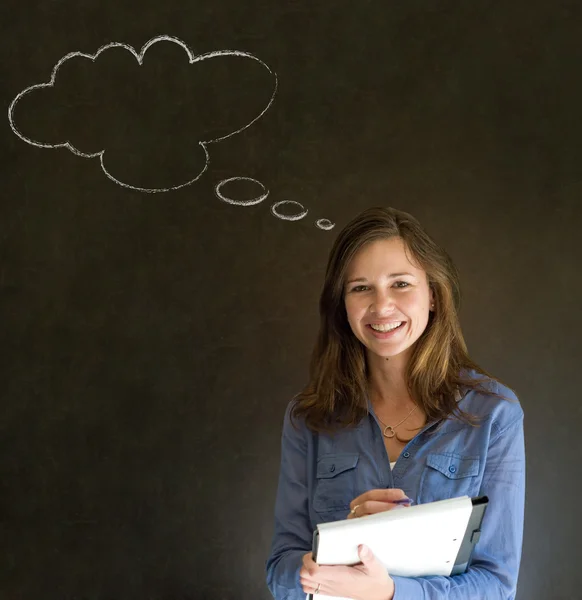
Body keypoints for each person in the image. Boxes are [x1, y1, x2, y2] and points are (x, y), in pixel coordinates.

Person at [265, 207, 526, 600]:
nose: (382, 305)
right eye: (360, 288)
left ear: (434, 295)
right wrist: (334, 554)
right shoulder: (309, 418)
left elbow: (497, 584)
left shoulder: (494, 414)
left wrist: (390, 593)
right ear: (343, 305)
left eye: (401, 283)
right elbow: (281, 570)